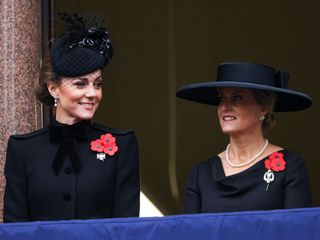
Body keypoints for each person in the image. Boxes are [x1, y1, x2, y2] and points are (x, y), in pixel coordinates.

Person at [3, 17, 140, 222]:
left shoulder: (123, 146)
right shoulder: (23, 149)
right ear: (53, 89)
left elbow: (126, 229)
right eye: (80, 84)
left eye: (97, 84)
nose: (92, 93)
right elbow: (15, 230)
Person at [176, 61, 312, 213]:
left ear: (263, 108)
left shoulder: (291, 166)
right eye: (222, 98)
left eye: (237, 98)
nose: (225, 107)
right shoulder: (200, 174)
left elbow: (299, 230)